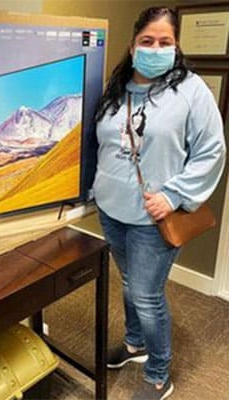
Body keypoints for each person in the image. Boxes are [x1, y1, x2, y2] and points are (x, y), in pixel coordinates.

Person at [92, 6, 226, 400]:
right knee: (130, 285)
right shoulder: (116, 90)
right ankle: (135, 344)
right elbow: (103, 145)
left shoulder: (191, 91)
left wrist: (173, 196)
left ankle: (158, 374)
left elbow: (211, 151)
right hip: (111, 209)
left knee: (148, 296)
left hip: (154, 218)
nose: (155, 49)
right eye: (147, 41)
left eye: (164, 42)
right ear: (133, 48)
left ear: (176, 46)